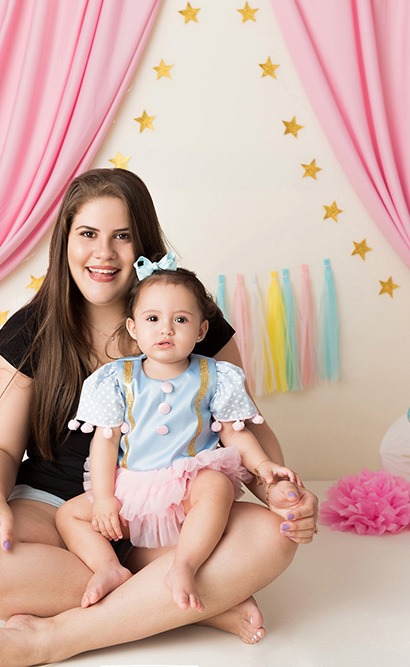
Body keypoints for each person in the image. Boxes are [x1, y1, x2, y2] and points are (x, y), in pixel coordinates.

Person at [0, 168, 319, 666]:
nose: (104, 253)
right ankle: (180, 606)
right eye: (88, 234)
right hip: (59, 512)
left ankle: (50, 637)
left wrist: (278, 492)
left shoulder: (187, 318)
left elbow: (243, 424)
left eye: (122, 236)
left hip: (167, 510)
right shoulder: (30, 330)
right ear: (65, 241)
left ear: (144, 244)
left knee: (270, 538)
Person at [56, 259, 301, 614]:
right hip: (134, 487)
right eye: (152, 319)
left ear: (201, 330)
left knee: (216, 485)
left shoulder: (215, 376)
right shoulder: (117, 379)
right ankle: (108, 567)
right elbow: (104, 443)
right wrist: (106, 498)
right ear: (133, 327)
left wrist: (264, 465)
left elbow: (234, 432)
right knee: (69, 515)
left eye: (181, 320)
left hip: (189, 484)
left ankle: (184, 565)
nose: (166, 329)